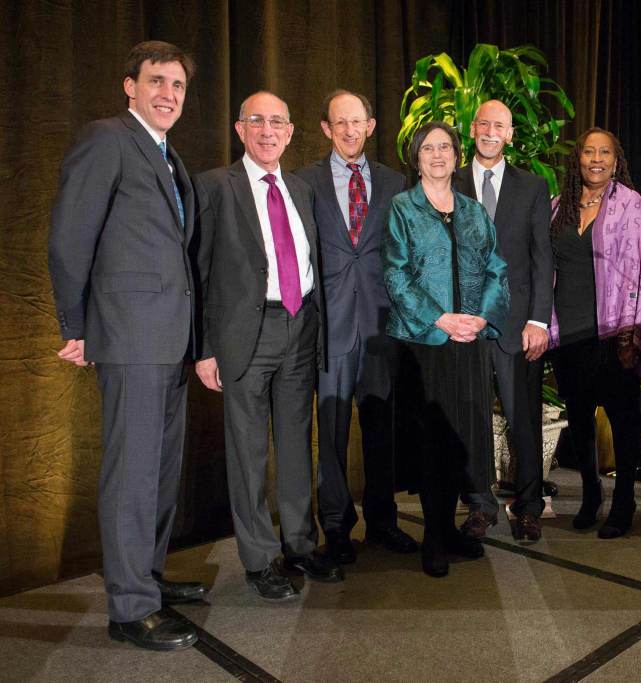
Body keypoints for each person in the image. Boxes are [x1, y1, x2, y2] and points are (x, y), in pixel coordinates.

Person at [48, 41, 205, 651]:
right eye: (157, 81)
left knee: (160, 472)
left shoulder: (168, 156)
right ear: (129, 86)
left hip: (169, 337)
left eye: (178, 86)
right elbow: (69, 237)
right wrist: (75, 325)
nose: (168, 94)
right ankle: (129, 608)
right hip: (130, 335)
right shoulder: (106, 138)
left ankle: (148, 579)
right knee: (131, 473)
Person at [194, 91, 341, 601]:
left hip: (300, 329)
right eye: (256, 121)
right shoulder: (214, 187)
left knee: (299, 445)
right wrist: (205, 347)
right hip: (244, 337)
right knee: (249, 452)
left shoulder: (300, 189)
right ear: (239, 130)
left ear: (291, 131)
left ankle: (300, 544)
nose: (267, 130)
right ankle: (259, 559)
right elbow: (200, 270)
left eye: (277, 121)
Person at [295, 89, 417, 564]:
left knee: (381, 429)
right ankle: (336, 525)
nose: (349, 131)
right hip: (329, 325)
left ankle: (384, 521)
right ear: (326, 128)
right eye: (339, 123)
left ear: (371, 126)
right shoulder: (303, 182)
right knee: (330, 430)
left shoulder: (394, 182)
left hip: (380, 326)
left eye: (357, 122)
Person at [382, 121, 509, 577]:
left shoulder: (474, 212)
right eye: (428, 148)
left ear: (457, 156)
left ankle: (452, 527)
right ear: (415, 157)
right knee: (431, 442)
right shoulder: (402, 208)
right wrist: (441, 318)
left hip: (469, 342)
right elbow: (396, 275)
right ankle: (433, 536)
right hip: (425, 342)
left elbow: (497, 268)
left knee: (465, 443)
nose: (438, 155)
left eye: (445, 148)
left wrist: (480, 317)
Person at [548, 127, 641, 539]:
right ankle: (591, 495)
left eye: (605, 153)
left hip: (613, 332)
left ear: (617, 160)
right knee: (579, 418)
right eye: (589, 152)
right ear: (578, 158)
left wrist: (629, 334)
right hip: (569, 332)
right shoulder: (558, 205)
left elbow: (640, 269)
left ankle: (625, 499)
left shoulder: (628, 204)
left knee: (623, 419)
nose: (596, 159)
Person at [453, 100, 553, 543]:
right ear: (473, 128)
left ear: (511, 135)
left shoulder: (531, 186)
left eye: (501, 126)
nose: (491, 131)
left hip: (516, 325)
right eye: (485, 123)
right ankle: (479, 505)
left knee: (523, 419)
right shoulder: (448, 180)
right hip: (465, 325)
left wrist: (539, 320)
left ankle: (529, 507)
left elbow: (540, 256)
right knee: (471, 417)